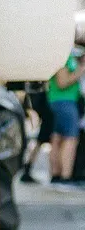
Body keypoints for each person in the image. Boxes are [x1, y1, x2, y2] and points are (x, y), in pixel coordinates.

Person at [46, 40, 83, 184]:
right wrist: (81, 70)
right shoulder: (61, 58)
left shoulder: (65, 56)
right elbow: (62, 82)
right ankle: (65, 176)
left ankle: (56, 174)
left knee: (57, 138)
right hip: (64, 101)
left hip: (61, 101)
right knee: (70, 138)